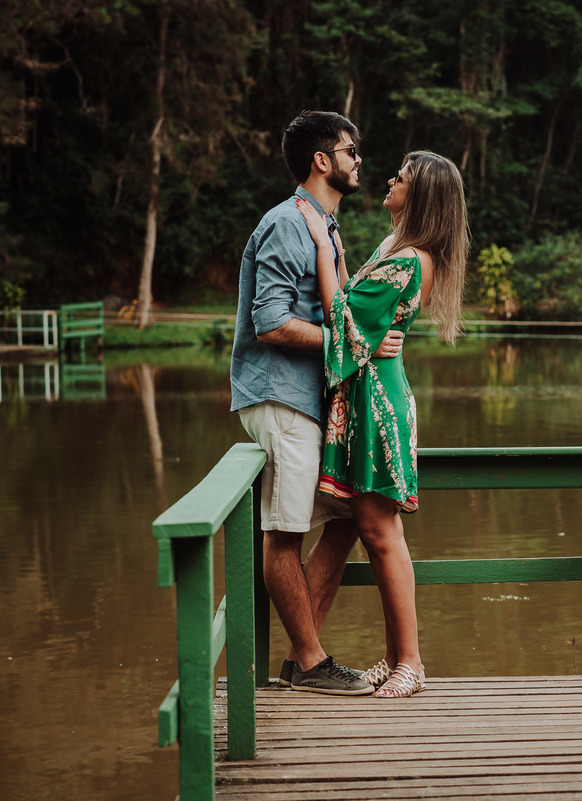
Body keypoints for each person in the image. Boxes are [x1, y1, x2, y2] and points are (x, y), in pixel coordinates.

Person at [230, 110, 402, 696]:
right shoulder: (287, 223)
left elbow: (341, 308)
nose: (360, 160)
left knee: (350, 514)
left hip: (310, 401)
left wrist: (364, 338)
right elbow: (271, 322)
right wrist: (351, 343)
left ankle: (302, 659)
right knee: (284, 532)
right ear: (322, 160)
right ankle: (310, 663)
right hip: (279, 396)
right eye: (351, 150)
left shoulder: (324, 226)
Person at [295, 150, 468, 698]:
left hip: (376, 405)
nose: (391, 179)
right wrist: (340, 255)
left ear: (421, 197)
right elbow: (358, 311)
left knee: (380, 532)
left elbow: (342, 318)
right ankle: (394, 657)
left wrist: (322, 247)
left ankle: (411, 663)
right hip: (368, 395)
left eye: (403, 177)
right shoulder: (394, 247)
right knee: (377, 532)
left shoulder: (411, 260)